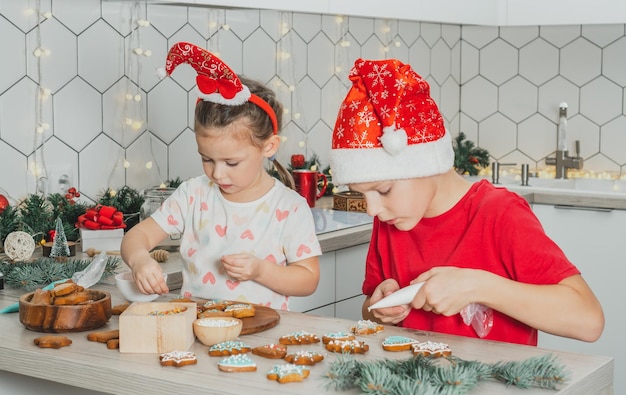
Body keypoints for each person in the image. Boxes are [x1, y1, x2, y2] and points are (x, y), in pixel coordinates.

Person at [329, 58, 604, 346]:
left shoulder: (500, 213)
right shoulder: (390, 220)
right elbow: (368, 310)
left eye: (383, 190)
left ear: (424, 164)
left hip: (498, 386)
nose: (372, 209)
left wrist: (478, 286)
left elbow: (589, 321)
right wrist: (380, 309)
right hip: (412, 387)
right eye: (362, 195)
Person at [121, 42, 321, 312]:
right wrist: (139, 260)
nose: (217, 173)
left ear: (269, 147)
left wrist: (261, 271)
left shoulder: (289, 207)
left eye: (231, 162)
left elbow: (308, 280)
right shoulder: (194, 195)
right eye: (207, 159)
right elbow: (137, 237)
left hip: (264, 334)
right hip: (198, 327)